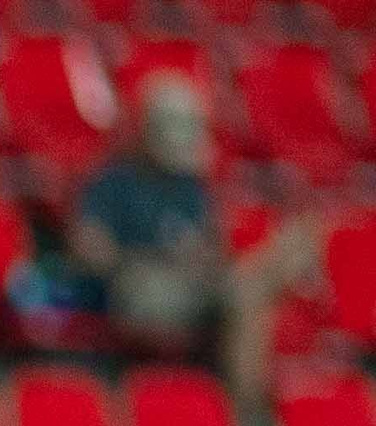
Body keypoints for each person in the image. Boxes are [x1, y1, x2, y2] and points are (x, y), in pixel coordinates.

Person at [72, 73, 321, 407]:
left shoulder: (190, 188)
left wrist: (198, 257)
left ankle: (244, 408)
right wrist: (142, 261)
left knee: (248, 295)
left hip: (193, 285)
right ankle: (248, 412)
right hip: (143, 288)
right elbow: (90, 249)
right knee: (249, 295)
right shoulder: (113, 182)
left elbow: (209, 248)